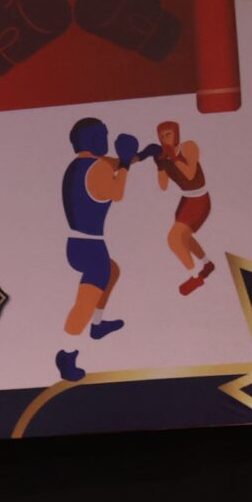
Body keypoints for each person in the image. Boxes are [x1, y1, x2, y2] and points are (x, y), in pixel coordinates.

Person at [55, 117, 160, 381]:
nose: (107, 140)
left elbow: (113, 164)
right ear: (94, 139)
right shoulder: (100, 168)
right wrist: (124, 163)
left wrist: (142, 155)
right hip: (91, 246)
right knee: (84, 303)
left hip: (76, 243)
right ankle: (67, 354)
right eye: (104, 135)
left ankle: (98, 324)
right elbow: (116, 192)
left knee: (113, 271)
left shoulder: (79, 165)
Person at [151, 119, 218, 294]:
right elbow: (163, 186)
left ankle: (195, 277)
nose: (165, 139)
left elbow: (190, 174)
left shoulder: (188, 146)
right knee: (185, 238)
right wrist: (160, 165)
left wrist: (173, 157)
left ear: (177, 134)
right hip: (186, 200)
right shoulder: (164, 155)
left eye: (168, 134)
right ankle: (207, 264)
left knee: (174, 239)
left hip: (199, 199)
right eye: (161, 136)